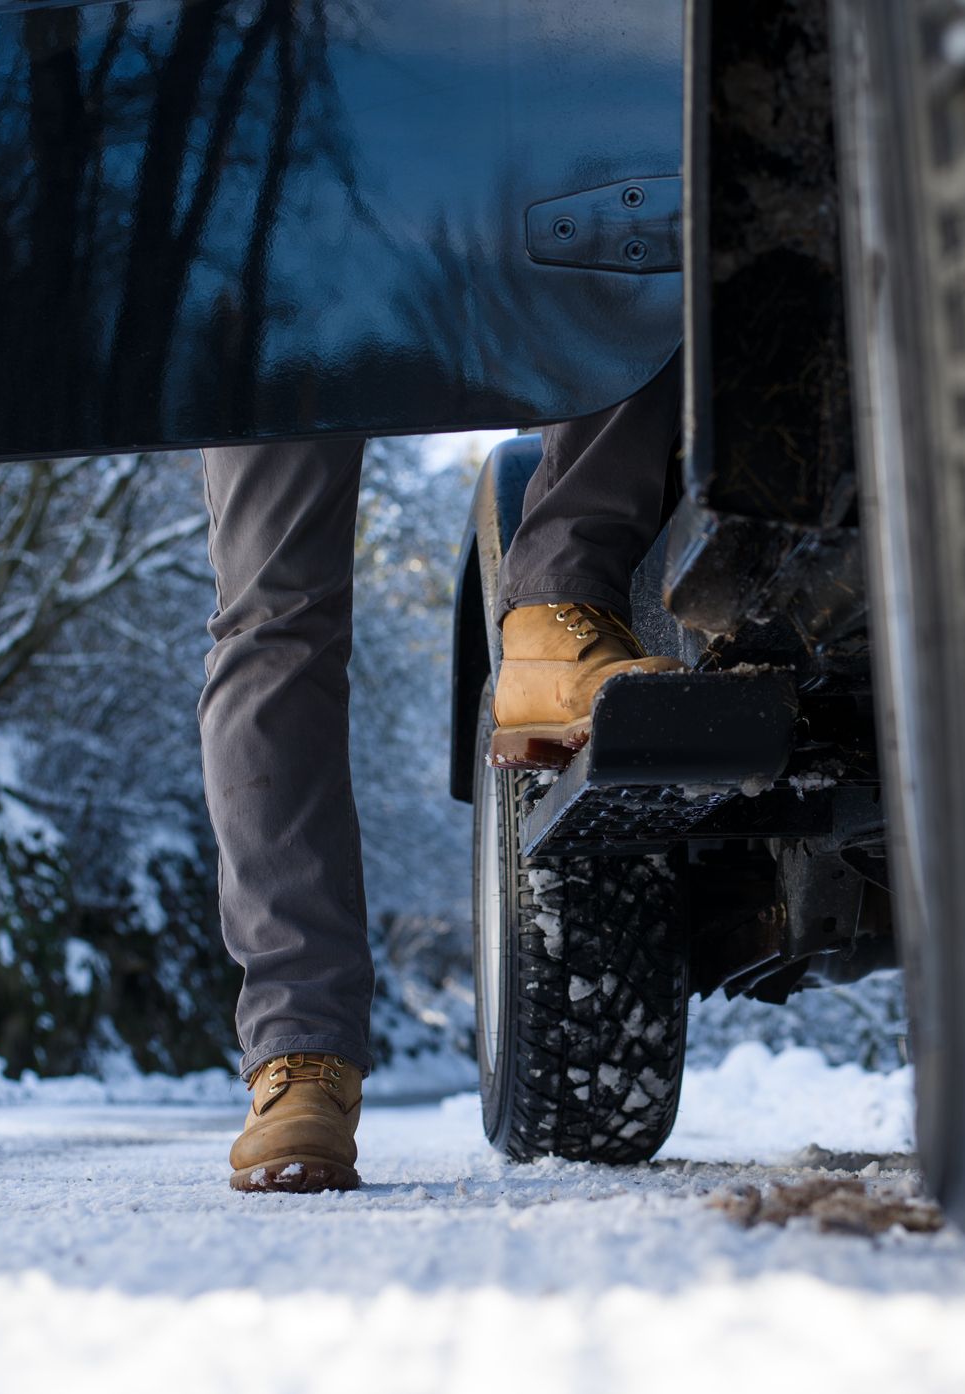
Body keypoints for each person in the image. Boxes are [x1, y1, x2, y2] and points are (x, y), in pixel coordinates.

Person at [204, 356, 684, 1192]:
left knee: (646, 253)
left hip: (499, 226)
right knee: (273, 614)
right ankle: (300, 1056)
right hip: (279, 251)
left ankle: (559, 601)